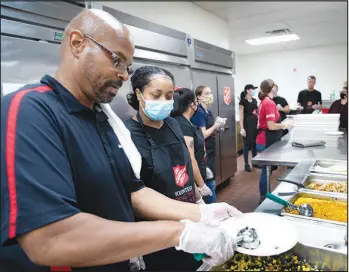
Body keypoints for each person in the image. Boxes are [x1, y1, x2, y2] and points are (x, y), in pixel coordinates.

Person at [0, 9, 241, 272]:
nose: (125, 75)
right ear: (77, 43)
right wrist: (179, 233)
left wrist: (202, 213)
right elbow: (49, 238)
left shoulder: (102, 118)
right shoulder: (31, 111)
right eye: (117, 60)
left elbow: (133, 192)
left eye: (127, 66)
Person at [170, 87, 212, 203]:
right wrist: (201, 185)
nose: (197, 104)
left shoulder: (188, 121)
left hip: (199, 170)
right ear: (191, 104)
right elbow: (190, 158)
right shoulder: (183, 125)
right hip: (192, 181)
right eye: (196, 101)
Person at [256, 79, 293, 203]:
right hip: (266, 139)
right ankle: (264, 198)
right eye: (275, 87)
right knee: (266, 170)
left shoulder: (263, 101)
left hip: (263, 137)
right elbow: (271, 126)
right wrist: (284, 125)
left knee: (266, 170)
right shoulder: (269, 103)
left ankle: (264, 195)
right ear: (272, 88)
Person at [190, 86, 226, 203]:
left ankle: (211, 199)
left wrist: (217, 125)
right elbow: (203, 134)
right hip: (203, 152)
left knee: (211, 177)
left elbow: (210, 129)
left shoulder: (208, 112)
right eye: (206, 93)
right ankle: (209, 203)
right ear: (199, 97)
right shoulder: (199, 112)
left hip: (211, 149)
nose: (210, 95)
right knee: (207, 180)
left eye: (210, 93)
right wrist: (216, 125)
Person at [239, 84, 258, 172]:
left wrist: (258, 123)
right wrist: (242, 128)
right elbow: (241, 115)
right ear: (247, 90)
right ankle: (246, 164)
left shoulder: (254, 100)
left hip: (254, 124)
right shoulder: (243, 101)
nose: (253, 91)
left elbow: (257, 112)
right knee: (246, 145)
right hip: (246, 124)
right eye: (252, 89)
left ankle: (255, 162)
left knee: (254, 144)